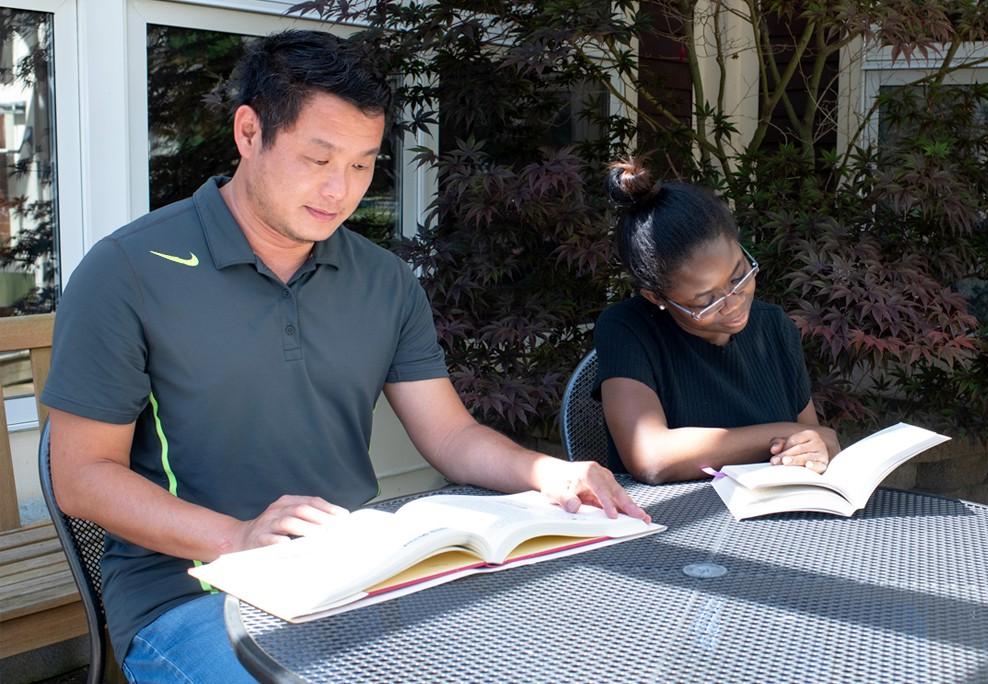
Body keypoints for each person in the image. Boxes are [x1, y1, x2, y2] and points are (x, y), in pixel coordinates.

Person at [42, 31, 647, 682]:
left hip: (360, 578)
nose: (341, 189)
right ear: (249, 133)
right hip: (192, 597)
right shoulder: (128, 270)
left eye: (362, 164)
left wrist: (546, 474)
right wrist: (237, 537)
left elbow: (449, 434)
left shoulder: (383, 280)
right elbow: (81, 476)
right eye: (318, 158)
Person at [594, 160, 840, 484]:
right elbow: (650, 456)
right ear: (656, 297)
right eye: (707, 300)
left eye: (739, 276)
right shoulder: (627, 329)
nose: (734, 302)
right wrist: (781, 434)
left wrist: (818, 446)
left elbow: (808, 439)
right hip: (673, 521)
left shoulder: (774, 327)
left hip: (773, 519)